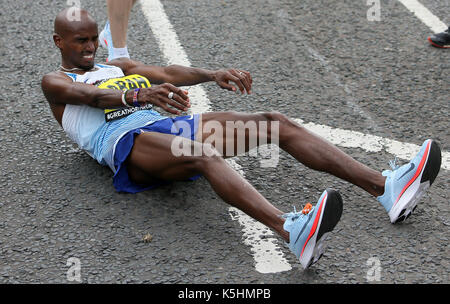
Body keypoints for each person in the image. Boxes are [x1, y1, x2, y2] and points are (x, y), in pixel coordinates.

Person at [41, 8, 442, 269]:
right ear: (60, 42)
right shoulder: (55, 81)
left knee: (273, 122)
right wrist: (137, 94)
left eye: (94, 38)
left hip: (162, 129)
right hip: (128, 145)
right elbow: (89, 97)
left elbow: (167, 71)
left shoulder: (116, 64)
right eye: (81, 41)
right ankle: (291, 230)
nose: (92, 46)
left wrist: (211, 74)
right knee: (201, 152)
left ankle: (387, 187)